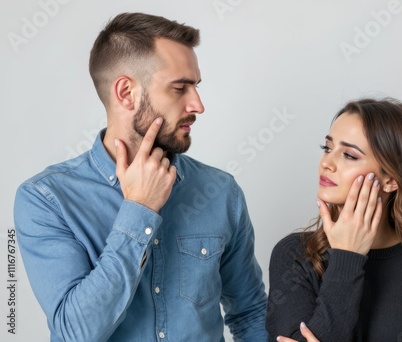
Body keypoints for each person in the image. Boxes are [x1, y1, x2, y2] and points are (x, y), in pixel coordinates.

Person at [14, 12, 267, 341]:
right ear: (126, 93)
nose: (198, 105)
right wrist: (139, 210)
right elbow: (74, 333)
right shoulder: (46, 199)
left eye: (196, 87)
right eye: (180, 88)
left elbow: (250, 313)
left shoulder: (221, 192)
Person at [265, 98, 402, 342]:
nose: (326, 163)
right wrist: (347, 259)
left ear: (391, 179)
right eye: (327, 148)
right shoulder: (294, 255)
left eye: (348, 155)